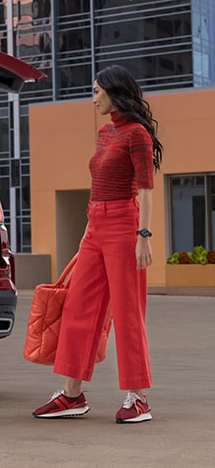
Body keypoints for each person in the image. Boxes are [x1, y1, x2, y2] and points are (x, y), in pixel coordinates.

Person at [33, 65, 163, 424]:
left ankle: (138, 398)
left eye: (96, 91)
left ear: (114, 91)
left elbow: (147, 189)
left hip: (125, 224)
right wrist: (88, 232)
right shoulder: (106, 133)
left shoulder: (137, 134)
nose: (93, 98)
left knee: (127, 313)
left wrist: (144, 236)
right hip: (95, 226)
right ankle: (72, 395)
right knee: (78, 308)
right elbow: (99, 185)